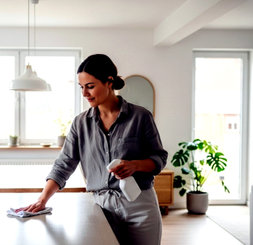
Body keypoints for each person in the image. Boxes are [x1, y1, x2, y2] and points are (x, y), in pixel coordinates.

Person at [17, 54, 168, 245]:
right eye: (81, 87)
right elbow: (64, 164)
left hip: (139, 204)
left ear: (109, 82)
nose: (84, 93)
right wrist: (42, 200)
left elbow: (159, 158)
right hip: (101, 206)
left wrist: (134, 166)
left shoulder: (140, 117)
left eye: (90, 86)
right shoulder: (80, 123)